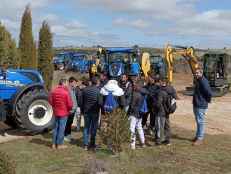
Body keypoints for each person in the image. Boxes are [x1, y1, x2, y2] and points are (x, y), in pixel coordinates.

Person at [49, 79, 73, 149]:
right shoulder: (66, 92)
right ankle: (59, 144)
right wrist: (69, 109)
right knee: (61, 129)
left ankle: (53, 144)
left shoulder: (53, 91)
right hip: (64, 112)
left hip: (56, 112)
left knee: (55, 128)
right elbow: (70, 104)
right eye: (66, 83)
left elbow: (51, 101)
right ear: (63, 83)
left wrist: (54, 107)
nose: (67, 85)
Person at [192, 68, 212, 146]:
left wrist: (206, 101)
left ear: (201, 73)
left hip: (201, 105)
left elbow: (209, 93)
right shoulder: (198, 80)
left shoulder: (204, 81)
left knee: (201, 122)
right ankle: (197, 136)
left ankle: (200, 138)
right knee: (198, 121)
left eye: (197, 73)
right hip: (196, 104)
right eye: (195, 73)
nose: (196, 74)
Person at [81, 77, 102, 150]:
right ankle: (92, 144)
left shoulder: (85, 90)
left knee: (86, 127)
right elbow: (100, 103)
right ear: (96, 82)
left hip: (86, 111)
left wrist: (82, 110)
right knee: (94, 128)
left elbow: (81, 102)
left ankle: (85, 145)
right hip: (95, 112)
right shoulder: (98, 91)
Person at [128, 82, 147, 150]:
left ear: (137, 87)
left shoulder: (135, 94)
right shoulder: (143, 94)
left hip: (134, 114)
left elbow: (132, 105)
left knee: (131, 129)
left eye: (134, 86)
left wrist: (129, 113)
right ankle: (143, 142)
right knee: (139, 128)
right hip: (140, 114)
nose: (133, 87)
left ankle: (132, 145)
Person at [160, 79, 177, 145]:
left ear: (162, 82)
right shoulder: (171, 88)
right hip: (168, 109)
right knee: (167, 125)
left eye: (160, 81)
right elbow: (175, 97)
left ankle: (160, 139)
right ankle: (168, 140)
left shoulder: (162, 89)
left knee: (162, 125)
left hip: (163, 109)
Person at [64, 77, 78, 142]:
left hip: (73, 110)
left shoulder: (73, 89)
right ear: (70, 82)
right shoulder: (67, 90)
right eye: (74, 83)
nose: (75, 84)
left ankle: (68, 136)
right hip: (69, 110)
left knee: (70, 123)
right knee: (67, 123)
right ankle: (66, 136)